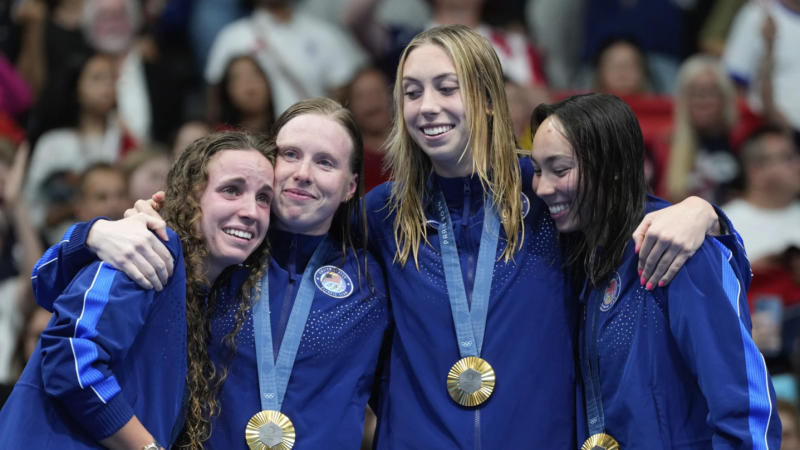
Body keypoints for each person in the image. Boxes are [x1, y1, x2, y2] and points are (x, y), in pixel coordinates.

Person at [364, 25, 731, 448]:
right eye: (411, 93)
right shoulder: (382, 213)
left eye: (447, 88)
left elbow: (629, 213)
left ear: (486, 99)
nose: (427, 106)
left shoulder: (544, 190)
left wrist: (703, 212)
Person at [27, 98, 389, 449]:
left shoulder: (372, 280)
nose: (303, 173)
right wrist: (90, 235)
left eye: (325, 162)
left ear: (352, 186)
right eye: (290, 154)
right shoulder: (213, 253)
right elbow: (51, 293)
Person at [529, 92, 779, 447]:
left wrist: (705, 212)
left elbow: (744, 402)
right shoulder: (582, 258)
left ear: (613, 169)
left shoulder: (679, 249)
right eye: (538, 170)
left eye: (560, 169)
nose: (542, 187)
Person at [0, 131, 275, 448]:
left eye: (264, 198)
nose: (251, 211)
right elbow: (71, 361)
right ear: (189, 197)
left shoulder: (211, 290)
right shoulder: (149, 248)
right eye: (231, 190)